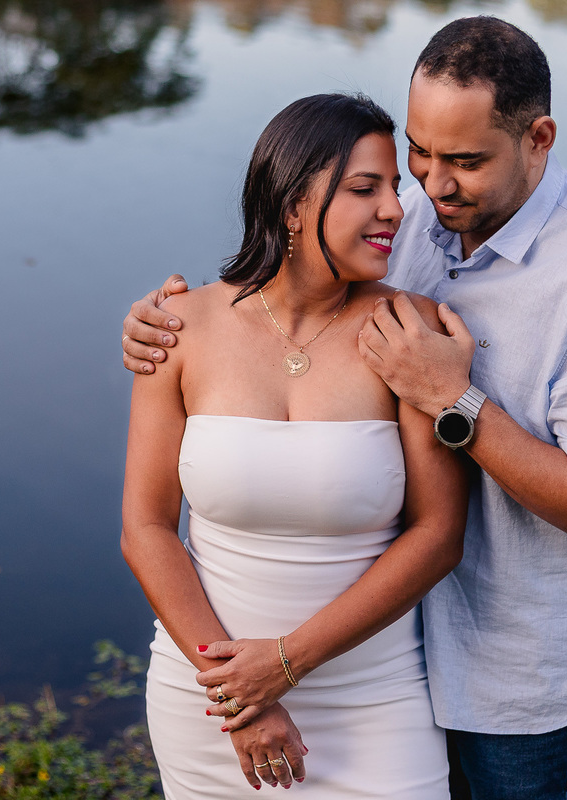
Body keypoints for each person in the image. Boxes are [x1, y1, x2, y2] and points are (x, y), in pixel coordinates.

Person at [123, 17, 567, 800]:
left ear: (538, 139)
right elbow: (301, 270)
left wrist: (450, 399)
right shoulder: (425, 213)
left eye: (461, 161)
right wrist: (162, 329)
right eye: (417, 155)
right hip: (407, 649)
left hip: (523, 674)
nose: (423, 187)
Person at [121, 92, 468, 799]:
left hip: (376, 702)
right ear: (291, 203)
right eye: (365, 188)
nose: (396, 210)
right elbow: (146, 528)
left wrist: (282, 664)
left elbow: (438, 535)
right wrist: (237, 694)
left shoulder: (410, 331)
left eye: (394, 189)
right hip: (210, 700)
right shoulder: (180, 327)